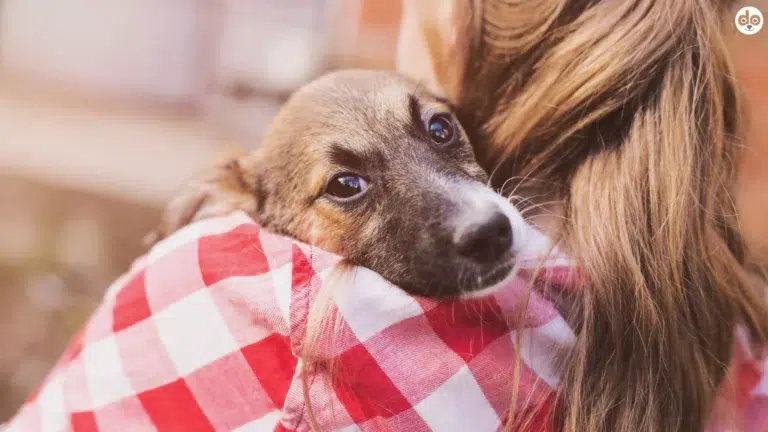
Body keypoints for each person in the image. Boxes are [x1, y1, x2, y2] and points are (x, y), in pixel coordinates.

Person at [7, 0, 768, 431]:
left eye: (439, 131)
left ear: (446, 22)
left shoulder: (243, 309)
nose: (475, 215)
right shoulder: (722, 332)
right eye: (346, 187)